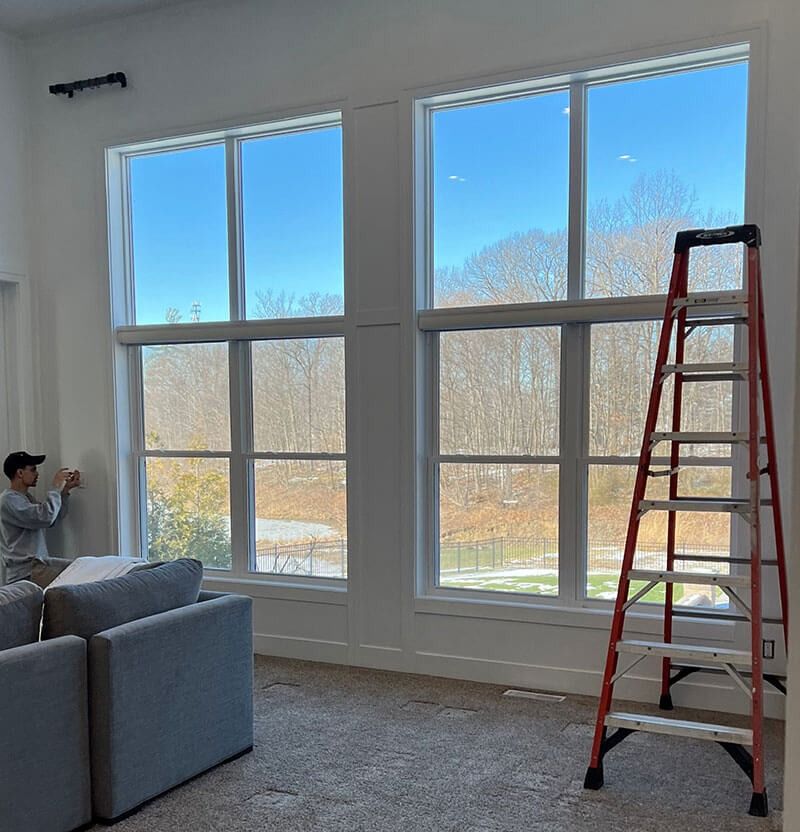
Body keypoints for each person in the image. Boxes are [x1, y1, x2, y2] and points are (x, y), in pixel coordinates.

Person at [0, 451, 81, 584]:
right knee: (77, 575)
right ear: (20, 473)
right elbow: (46, 516)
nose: (37, 474)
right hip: (25, 574)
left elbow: (53, 518)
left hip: (35, 569)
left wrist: (65, 490)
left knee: (78, 573)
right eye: (33, 470)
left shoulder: (26, 498)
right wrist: (55, 487)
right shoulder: (8, 500)